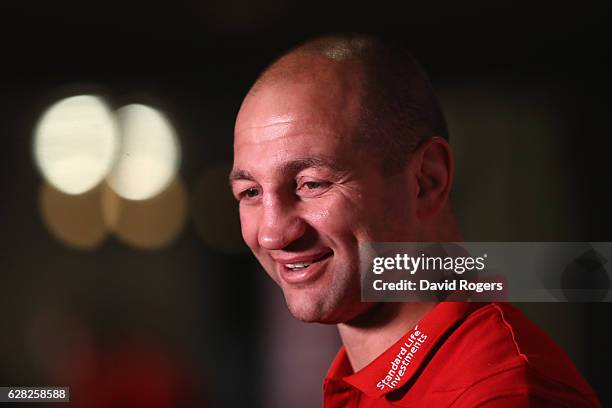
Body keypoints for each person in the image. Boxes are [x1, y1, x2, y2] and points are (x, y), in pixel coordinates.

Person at [230, 33, 600, 407]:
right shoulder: (367, 384)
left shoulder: (499, 395)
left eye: (312, 184)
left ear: (426, 181)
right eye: (250, 193)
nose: (274, 232)